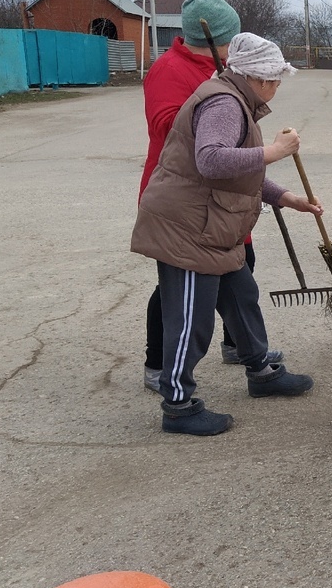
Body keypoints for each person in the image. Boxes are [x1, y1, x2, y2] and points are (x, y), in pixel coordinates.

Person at [131, 33, 319, 437]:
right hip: (188, 228)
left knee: (241, 296)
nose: (278, 86)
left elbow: (240, 174)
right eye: (275, 78)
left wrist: (288, 199)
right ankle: (178, 405)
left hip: (214, 226)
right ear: (258, 77)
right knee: (190, 321)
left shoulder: (234, 98)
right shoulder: (223, 102)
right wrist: (275, 151)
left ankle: (261, 372)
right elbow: (213, 160)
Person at [139, 0, 283, 394]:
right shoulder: (172, 70)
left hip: (225, 196)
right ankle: (163, 371)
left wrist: (280, 194)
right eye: (230, 38)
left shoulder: (227, 79)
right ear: (215, 40)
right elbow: (169, 127)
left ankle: (245, 352)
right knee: (181, 291)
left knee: (240, 272)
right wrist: (215, 108)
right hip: (188, 199)